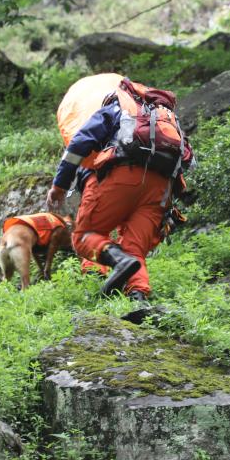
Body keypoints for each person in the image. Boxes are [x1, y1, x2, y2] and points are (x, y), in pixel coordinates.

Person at [46, 78, 191, 321]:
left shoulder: (117, 108)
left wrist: (59, 186)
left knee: (84, 236)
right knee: (134, 248)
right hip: (161, 188)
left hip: (122, 177)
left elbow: (80, 142)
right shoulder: (165, 119)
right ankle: (138, 299)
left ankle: (119, 263)